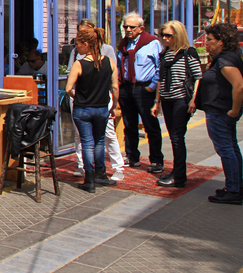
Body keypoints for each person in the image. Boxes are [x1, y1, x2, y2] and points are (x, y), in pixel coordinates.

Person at [68, 20, 125, 181]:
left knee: (102, 136)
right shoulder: (77, 54)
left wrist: (77, 97)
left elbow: (68, 87)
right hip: (98, 103)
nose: (77, 44)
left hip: (92, 102)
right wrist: (113, 104)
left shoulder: (106, 52)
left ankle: (98, 173)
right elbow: (115, 85)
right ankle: (92, 170)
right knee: (92, 139)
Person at [197, 23, 243, 205]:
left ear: (222, 41)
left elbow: (239, 85)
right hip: (221, 110)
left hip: (220, 111)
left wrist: (234, 109)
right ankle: (235, 187)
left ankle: (233, 190)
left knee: (226, 149)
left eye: (210, 40)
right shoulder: (226, 57)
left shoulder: (225, 60)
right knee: (231, 148)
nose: (208, 43)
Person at [151, 21, 202, 188]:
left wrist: (194, 99)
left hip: (181, 99)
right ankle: (177, 172)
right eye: (162, 35)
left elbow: (198, 77)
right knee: (174, 136)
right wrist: (156, 102)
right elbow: (160, 79)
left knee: (177, 137)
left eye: (169, 36)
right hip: (166, 99)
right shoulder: (164, 53)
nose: (165, 39)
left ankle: (179, 176)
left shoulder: (188, 52)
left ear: (178, 36)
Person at [117, 12, 164, 172]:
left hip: (144, 88)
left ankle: (156, 160)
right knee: (129, 124)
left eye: (132, 27)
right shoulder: (123, 44)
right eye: (125, 27)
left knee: (150, 125)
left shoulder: (152, 43)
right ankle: (132, 156)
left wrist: (152, 86)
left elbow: (160, 67)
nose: (128, 29)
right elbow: (119, 65)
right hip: (126, 87)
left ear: (141, 28)